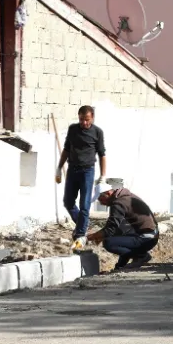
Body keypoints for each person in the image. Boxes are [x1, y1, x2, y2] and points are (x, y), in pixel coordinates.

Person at [56, 105, 106, 250]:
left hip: (87, 172)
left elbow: (102, 154)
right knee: (68, 201)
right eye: (81, 119)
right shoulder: (73, 130)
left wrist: (102, 176)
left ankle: (80, 234)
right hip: (72, 170)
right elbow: (66, 149)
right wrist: (59, 168)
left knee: (85, 205)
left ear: (92, 118)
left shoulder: (97, 132)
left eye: (87, 120)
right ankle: (82, 224)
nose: (84, 122)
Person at [87, 184, 159, 270]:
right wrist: (119, 267)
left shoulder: (118, 203)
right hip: (151, 234)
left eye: (101, 199)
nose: (102, 203)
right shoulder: (126, 196)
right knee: (116, 239)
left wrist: (91, 237)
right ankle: (122, 265)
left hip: (146, 238)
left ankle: (141, 256)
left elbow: (110, 229)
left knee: (109, 243)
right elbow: (118, 229)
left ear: (108, 193)